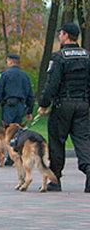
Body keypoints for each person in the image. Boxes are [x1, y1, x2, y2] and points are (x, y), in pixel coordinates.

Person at [38, 22, 90, 192]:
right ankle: (89, 170)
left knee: (57, 142)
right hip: (83, 105)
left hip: (63, 105)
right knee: (83, 140)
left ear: (66, 35)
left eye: (60, 33)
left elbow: (52, 84)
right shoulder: (87, 56)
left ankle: (55, 179)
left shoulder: (59, 57)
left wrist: (44, 104)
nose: (59, 36)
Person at [0, 54, 34, 126]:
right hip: (20, 107)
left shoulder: (4, 75)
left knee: (6, 131)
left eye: (7, 61)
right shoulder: (25, 76)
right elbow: (30, 96)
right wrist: (29, 111)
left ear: (10, 62)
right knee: (17, 131)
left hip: (8, 106)